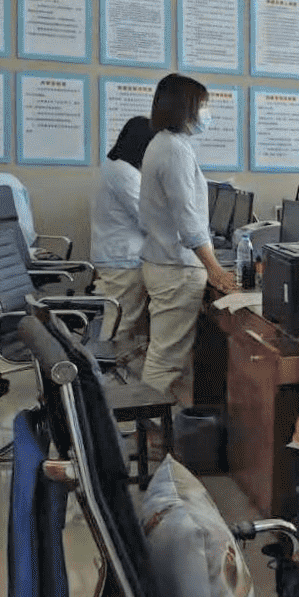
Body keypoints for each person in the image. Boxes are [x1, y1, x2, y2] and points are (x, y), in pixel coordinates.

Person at [138, 74, 239, 403]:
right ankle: (148, 421)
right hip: (176, 268)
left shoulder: (165, 144)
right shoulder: (173, 151)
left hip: (165, 262)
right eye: (203, 106)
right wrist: (215, 269)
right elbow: (189, 220)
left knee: (178, 362)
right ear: (185, 108)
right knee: (166, 360)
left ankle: (175, 426)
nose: (207, 113)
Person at [90, 116, 154, 353]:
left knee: (119, 319)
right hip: (123, 261)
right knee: (120, 323)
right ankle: (104, 368)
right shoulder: (124, 173)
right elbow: (147, 217)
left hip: (115, 256)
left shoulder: (112, 166)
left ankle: (109, 365)